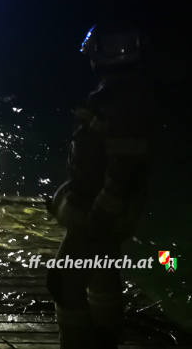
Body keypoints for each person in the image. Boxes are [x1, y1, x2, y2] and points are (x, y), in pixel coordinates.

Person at [46, 22, 152, 349]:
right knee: (104, 275)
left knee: (63, 281)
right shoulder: (122, 95)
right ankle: (108, 337)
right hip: (105, 207)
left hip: (98, 211)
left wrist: (99, 214)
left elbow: (123, 165)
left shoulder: (119, 101)